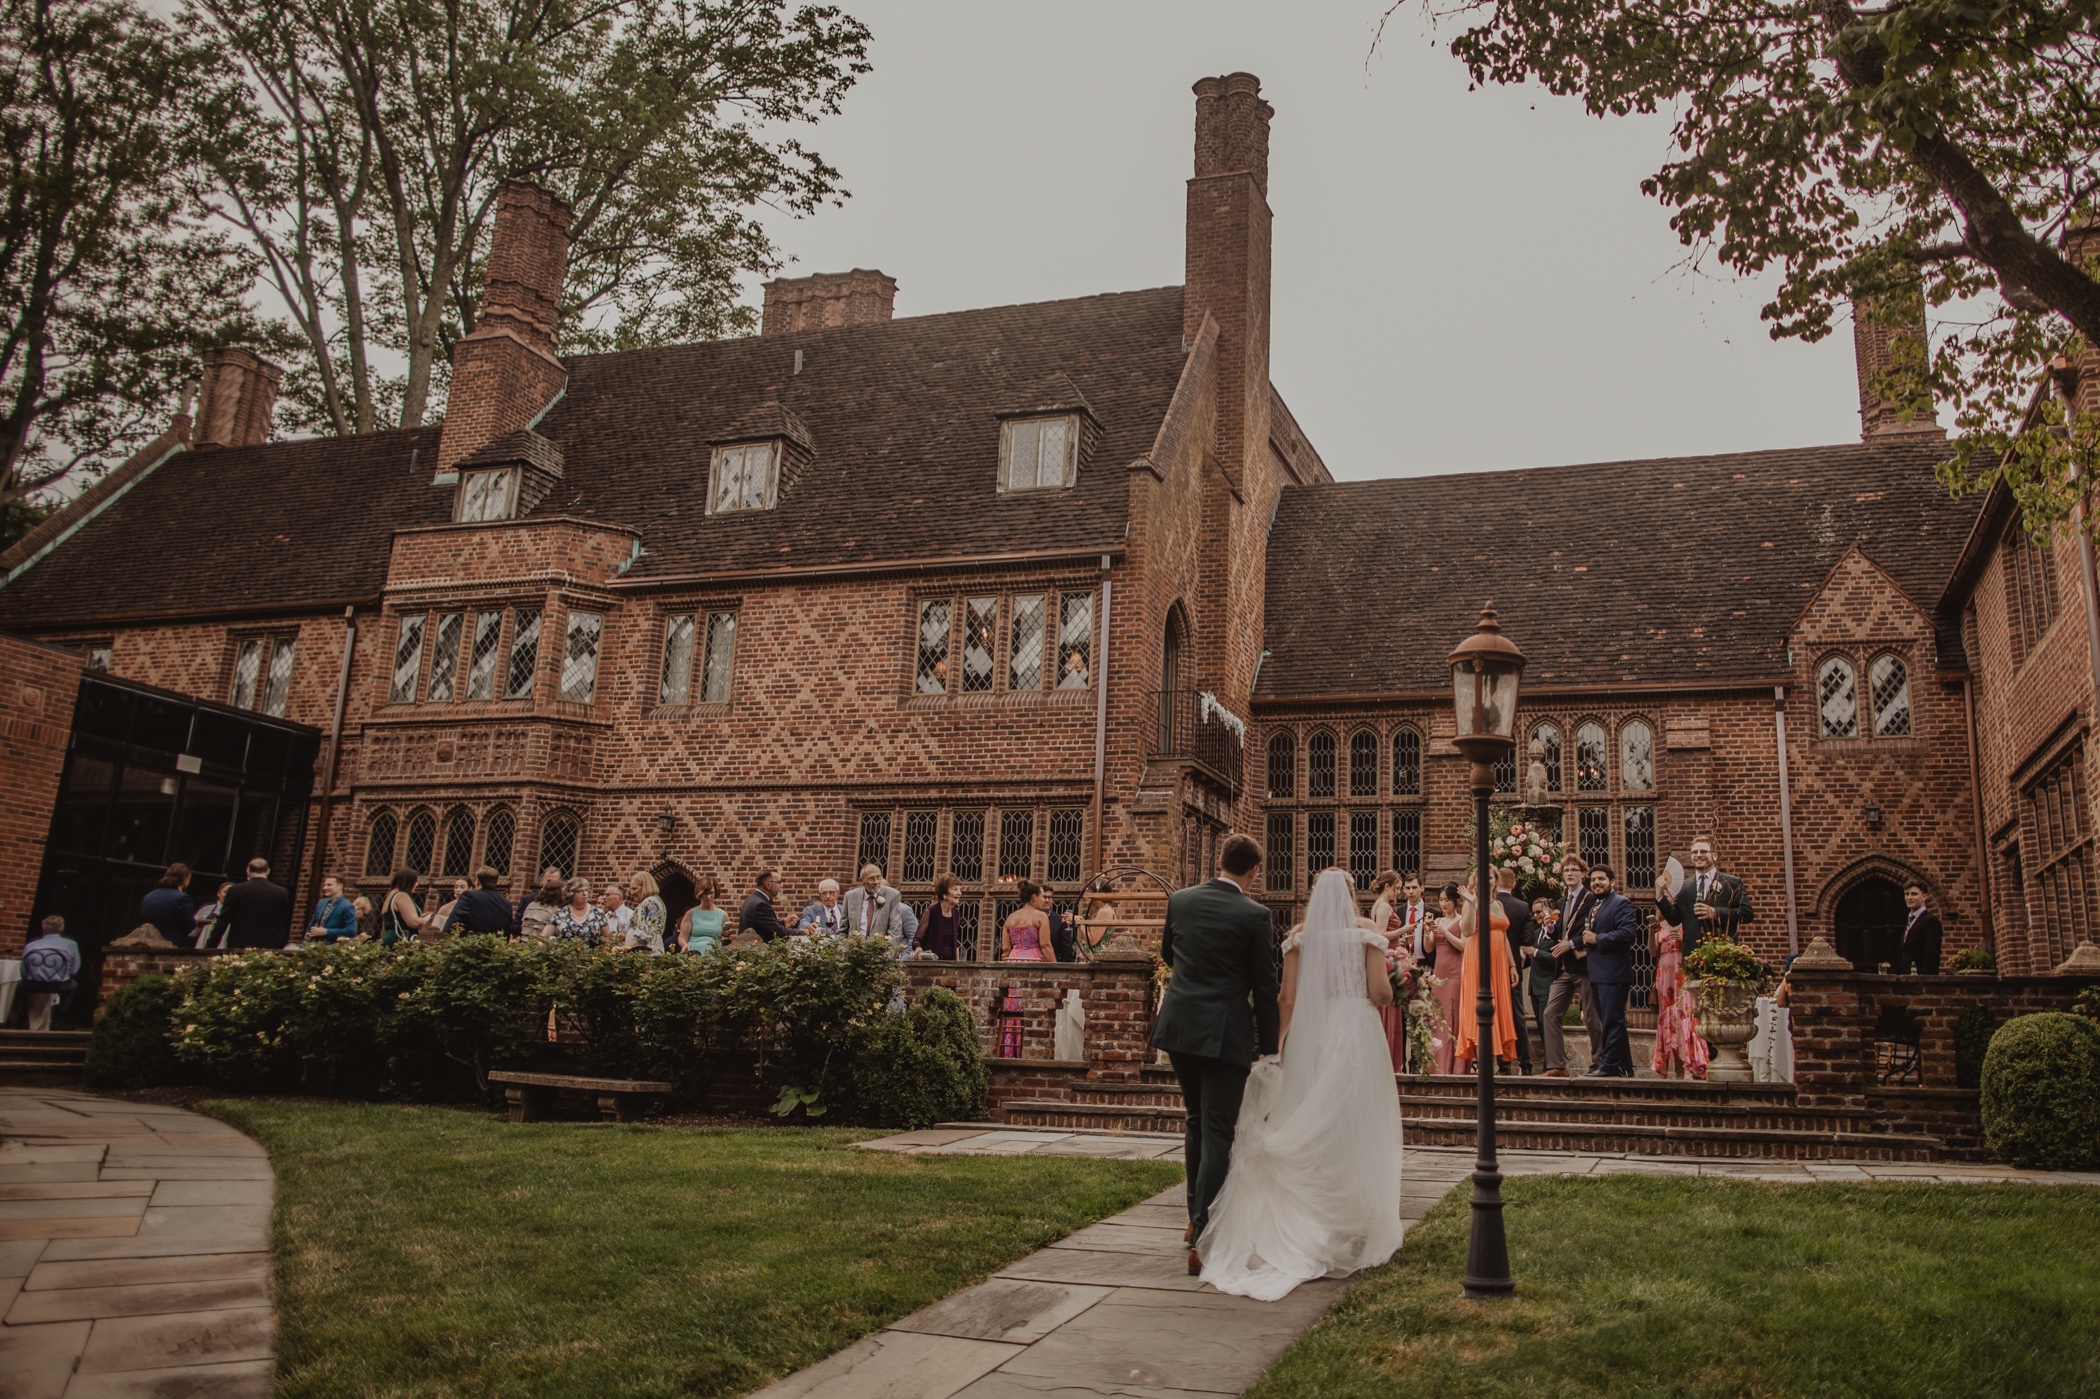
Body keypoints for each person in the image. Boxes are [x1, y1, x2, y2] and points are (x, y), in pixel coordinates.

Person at [1200, 868, 1403, 1300]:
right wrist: (1402, 982)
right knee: (1354, 1122)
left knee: (1311, 1113)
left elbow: (1286, 999)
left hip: (1314, 1034)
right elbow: (1381, 993)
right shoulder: (1366, 932)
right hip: (1357, 1034)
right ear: (1351, 895)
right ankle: (1351, 1215)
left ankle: (1314, 1213)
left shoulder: (1298, 937)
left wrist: (1274, 1049)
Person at [1149, 834, 1280, 1278]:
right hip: (1225, 1034)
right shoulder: (1255, 915)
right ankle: (1205, 1237)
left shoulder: (1181, 900)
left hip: (1181, 1027)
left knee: (1196, 1121)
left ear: (1221, 861)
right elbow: (1265, 988)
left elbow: (1169, 954)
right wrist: (1272, 1049)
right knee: (1219, 1130)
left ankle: (1193, 1218)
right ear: (1253, 871)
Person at [1542, 854, 1601, 1076]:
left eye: (1574, 870)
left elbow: (1594, 929)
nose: (1569, 874)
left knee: (1592, 1015)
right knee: (1550, 1013)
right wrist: (1549, 929)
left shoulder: (1591, 899)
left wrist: (1572, 943)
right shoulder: (1560, 902)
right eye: (1566, 870)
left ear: (1583, 874)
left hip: (1583, 964)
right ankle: (1557, 1065)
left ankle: (1599, 1063)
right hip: (1563, 968)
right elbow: (1559, 933)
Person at [1579, 864, 1641, 1077]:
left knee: (1612, 1020)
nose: (1596, 883)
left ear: (1612, 882)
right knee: (1610, 1019)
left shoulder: (1620, 903)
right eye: (1594, 880)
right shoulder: (1596, 905)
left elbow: (1628, 933)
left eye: (1601, 879)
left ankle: (1609, 1066)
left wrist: (1598, 939)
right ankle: (1624, 1066)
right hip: (1598, 972)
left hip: (1613, 972)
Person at [1454, 885, 1518, 1072]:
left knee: (1497, 1006)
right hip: (1478, 957)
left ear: (1496, 881)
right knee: (1480, 1005)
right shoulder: (1470, 902)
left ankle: (1497, 1062)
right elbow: (1466, 931)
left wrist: (1512, 964)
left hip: (1499, 960)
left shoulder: (1498, 903)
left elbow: (1504, 935)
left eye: (1491, 876)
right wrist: (1473, 904)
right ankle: (1481, 1063)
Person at [1656, 834, 1753, 956]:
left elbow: (1747, 914)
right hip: (1692, 956)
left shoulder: (1732, 883)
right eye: (1694, 852)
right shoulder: (1684, 887)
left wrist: (1714, 912)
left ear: (1714, 856)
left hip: (1723, 954)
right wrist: (1660, 896)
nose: (1698, 855)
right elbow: (1674, 919)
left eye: (1703, 851)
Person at [1652, 901, 1709, 1079]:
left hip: (1682, 971)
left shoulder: (1686, 923)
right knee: (1668, 1019)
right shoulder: (1660, 925)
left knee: (1686, 1015)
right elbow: (1653, 951)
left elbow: (1697, 950)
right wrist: (1650, 930)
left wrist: (1682, 941)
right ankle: (1677, 1067)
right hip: (1665, 974)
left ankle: (1691, 1064)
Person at [1493, 868, 1535, 1074]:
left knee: (1493, 1011)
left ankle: (1502, 1064)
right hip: (1512, 966)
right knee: (1516, 1013)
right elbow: (1527, 940)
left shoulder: (1488, 905)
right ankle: (1525, 1063)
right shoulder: (1522, 906)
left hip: (1489, 964)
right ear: (1514, 884)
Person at [1366, 871, 1407, 1072]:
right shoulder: (1383, 907)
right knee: (1389, 1010)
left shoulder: (1382, 905)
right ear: (1387, 886)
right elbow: (1381, 935)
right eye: (1397, 888)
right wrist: (1404, 930)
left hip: (1391, 956)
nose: (1398, 893)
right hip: (1387, 960)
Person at [1430, 883, 1467, 1073]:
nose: (1443, 904)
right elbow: (1429, 948)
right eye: (1441, 900)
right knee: (1438, 1016)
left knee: (1452, 1015)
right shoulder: (1437, 921)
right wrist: (1428, 931)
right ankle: (1437, 1065)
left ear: (1455, 901)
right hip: (1439, 972)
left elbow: (1463, 946)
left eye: (1447, 900)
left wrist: (1445, 932)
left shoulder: (1461, 921)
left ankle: (1454, 1065)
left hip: (1455, 972)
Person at [218, 858, 293, 949]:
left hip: (240, 945)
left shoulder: (236, 890)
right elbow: (285, 922)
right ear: (268, 871)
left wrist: (210, 945)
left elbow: (223, 920)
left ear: (248, 871)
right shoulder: (282, 892)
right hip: (270, 947)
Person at [1525, 896, 1561, 1073]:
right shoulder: (1536, 932)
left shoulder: (1556, 932)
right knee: (1540, 1027)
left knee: (1548, 1028)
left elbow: (1556, 959)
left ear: (1549, 909)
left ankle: (1552, 1065)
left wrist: (1536, 952)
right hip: (1535, 987)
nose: (1536, 916)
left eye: (1539, 911)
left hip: (1548, 986)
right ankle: (1549, 1065)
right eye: (1534, 913)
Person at [843, 864, 910, 952]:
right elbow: (842, 929)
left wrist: (888, 956)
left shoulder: (892, 895)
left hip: (880, 954)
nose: (876, 882)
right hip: (854, 954)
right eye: (871, 879)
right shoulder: (850, 896)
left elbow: (895, 930)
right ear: (862, 881)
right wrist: (842, 952)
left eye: (878, 877)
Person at [450, 868, 517, 935]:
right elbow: (507, 931)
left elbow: (454, 920)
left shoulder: (470, 896)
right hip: (495, 944)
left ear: (478, 881)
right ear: (495, 883)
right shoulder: (506, 903)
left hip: (470, 943)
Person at [999, 882, 1055, 961]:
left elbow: (1006, 949)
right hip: (1034, 961)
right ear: (1035, 897)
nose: (1044, 900)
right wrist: (1055, 966)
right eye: (1042, 897)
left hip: (1013, 961)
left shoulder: (1010, 918)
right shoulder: (1040, 916)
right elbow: (1045, 945)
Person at [139, 864, 195, 944]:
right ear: (185, 879)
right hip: (172, 944)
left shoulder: (149, 896)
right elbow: (189, 926)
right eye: (189, 877)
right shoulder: (182, 898)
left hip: (148, 941)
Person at [916, 874, 964, 960]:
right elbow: (917, 940)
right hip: (932, 965)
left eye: (960, 890)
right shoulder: (930, 911)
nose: (959, 893)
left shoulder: (956, 913)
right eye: (955, 889)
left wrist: (958, 963)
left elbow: (955, 941)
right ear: (944, 894)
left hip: (950, 965)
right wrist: (919, 953)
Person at [376, 868, 428, 947]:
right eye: (416, 881)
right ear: (408, 881)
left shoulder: (390, 895)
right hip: (399, 941)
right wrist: (426, 919)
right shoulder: (401, 895)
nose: (417, 884)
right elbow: (414, 923)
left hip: (389, 939)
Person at [551, 877, 609, 945]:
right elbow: (544, 937)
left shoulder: (598, 913)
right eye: (580, 891)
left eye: (586, 890)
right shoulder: (559, 913)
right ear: (571, 894)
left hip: (591, 954)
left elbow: (608, 940)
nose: (584, 893)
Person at [1900, 881, 1943, 975]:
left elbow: (1932, 954)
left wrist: (1925, 982)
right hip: (1906, 978)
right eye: (1907, 894)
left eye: (1914, 894)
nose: (1909, 898)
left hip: (1920, 980)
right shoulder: (1910, 919)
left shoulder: (1930, 921)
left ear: (1924, 897)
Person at [738, 871, 791, 943]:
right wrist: (802, 932)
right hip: (756, 951)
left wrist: (783, 923)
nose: (781, 885)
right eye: (779, 882)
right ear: (768, 885)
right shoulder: (761, 905)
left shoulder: (753, 898)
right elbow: (777, 932)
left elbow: (764, 926)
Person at [306, 875, 360, 944]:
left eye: (329, 885)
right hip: (315, 947)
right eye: (325, 885)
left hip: (332, 949)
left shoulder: (347, 906)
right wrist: (304, 944)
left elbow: (351, 931)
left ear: (340, 886)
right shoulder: (321, 903)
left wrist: (326, 931)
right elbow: (311, 925)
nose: (325, 887)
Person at [515, 867, 565, 938]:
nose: (552, 884)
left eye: (555, 881)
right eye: (549, 881)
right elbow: (515, 926)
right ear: (542, 880)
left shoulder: (563, 903)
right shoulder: (528, 900)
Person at [682, 877, 727, 952]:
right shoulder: (691, 914)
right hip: (694, 953)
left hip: (715, 954)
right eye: (705, 894)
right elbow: (682, 937)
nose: (708, 897)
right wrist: (684, 944)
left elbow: (725, 940)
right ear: (700, 894)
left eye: (711, 893)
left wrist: (726, 936)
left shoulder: (723, 915)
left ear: (715, 892)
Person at [627, 870, 667, 953]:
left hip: (646, 950)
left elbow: (646, 931)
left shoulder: (649, 903)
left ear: (645, 886)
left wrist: (627, 947)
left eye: (634, 888)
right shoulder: (654, 900)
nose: (632, 892)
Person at [193, 882, 233, 948]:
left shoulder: (238, 913)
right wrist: (199, 924)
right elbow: (193, 933)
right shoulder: (206, 909)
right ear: (218, 893)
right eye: (225, 892)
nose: (228, 895)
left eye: (231, 893)